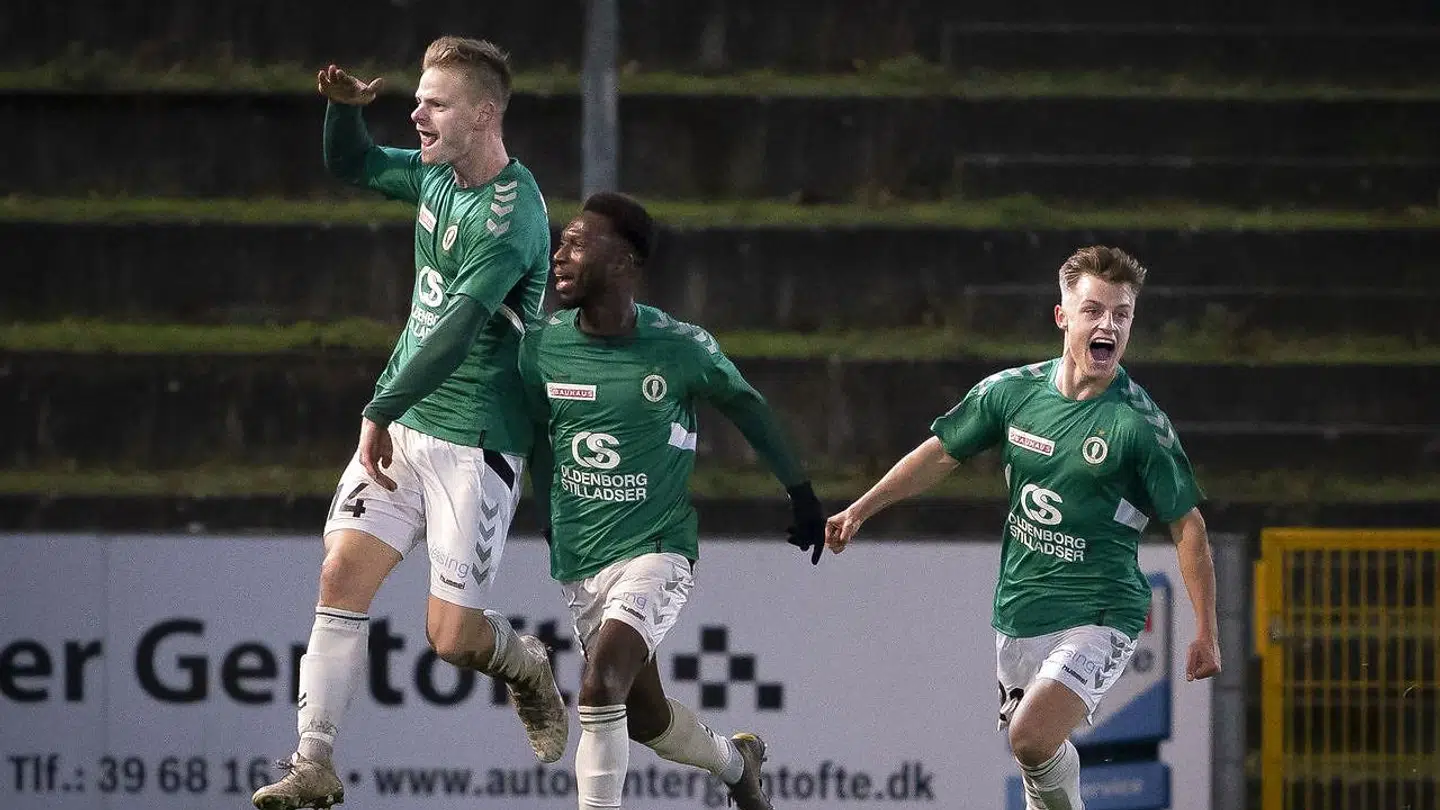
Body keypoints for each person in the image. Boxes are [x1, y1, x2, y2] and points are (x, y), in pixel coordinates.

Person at [253, 37, 566, 810]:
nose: (417, 114)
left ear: (484, 114)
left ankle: (526, 665)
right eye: (417, 100)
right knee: (340, 574)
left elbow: (457, 329)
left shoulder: (512, 215)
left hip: (478, 440)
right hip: (405, 420)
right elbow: (353, 164)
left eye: (436, 103)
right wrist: (342, 111)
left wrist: (377, 407)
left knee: (452, 640)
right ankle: (314, 761)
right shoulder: (435, 174)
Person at [824, 246, 1221, 810]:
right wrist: (861, 508)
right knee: (1033, 758)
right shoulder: (1011, 394)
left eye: (1122, 314)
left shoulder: (1139, 426)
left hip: (1102, 613)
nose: (1108, 324)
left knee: (1031, 736)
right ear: (1064, 317)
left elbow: (1189, 527)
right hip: (1019, 613)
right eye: (1094, 310)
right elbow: (940, 454)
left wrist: (1206, 629)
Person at [518, 192, 826, 810]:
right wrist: (549, 518)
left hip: (657, 551)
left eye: (578, 242)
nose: (559, 254)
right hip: (581, 558)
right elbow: (538, 442)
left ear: (626, 261)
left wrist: (801, 493)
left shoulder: (679, 346)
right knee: (643, 719)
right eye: (561, 242)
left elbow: (748, 407)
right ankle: (738, 763)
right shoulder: (540, 346)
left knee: (601, 685)